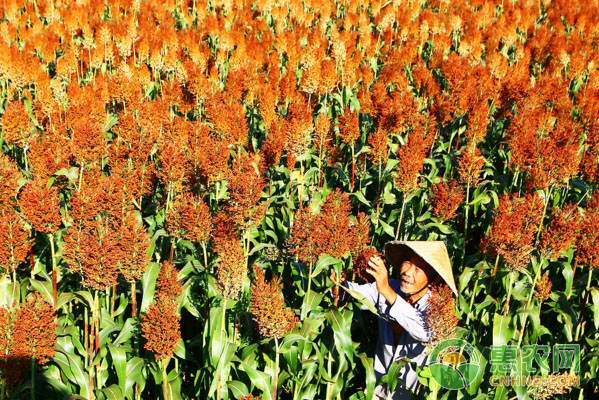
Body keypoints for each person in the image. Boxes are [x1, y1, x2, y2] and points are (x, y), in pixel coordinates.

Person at [330, 241, 458, 400]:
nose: (408, 272)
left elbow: (426, 331)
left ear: (434, 279)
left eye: (417, 269)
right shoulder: (390, 286)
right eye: (407, 263)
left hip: (410, 395)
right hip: (376, 390)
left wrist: (386, 291)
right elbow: (354, 293)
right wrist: (339, 284)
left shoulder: (436, 306)